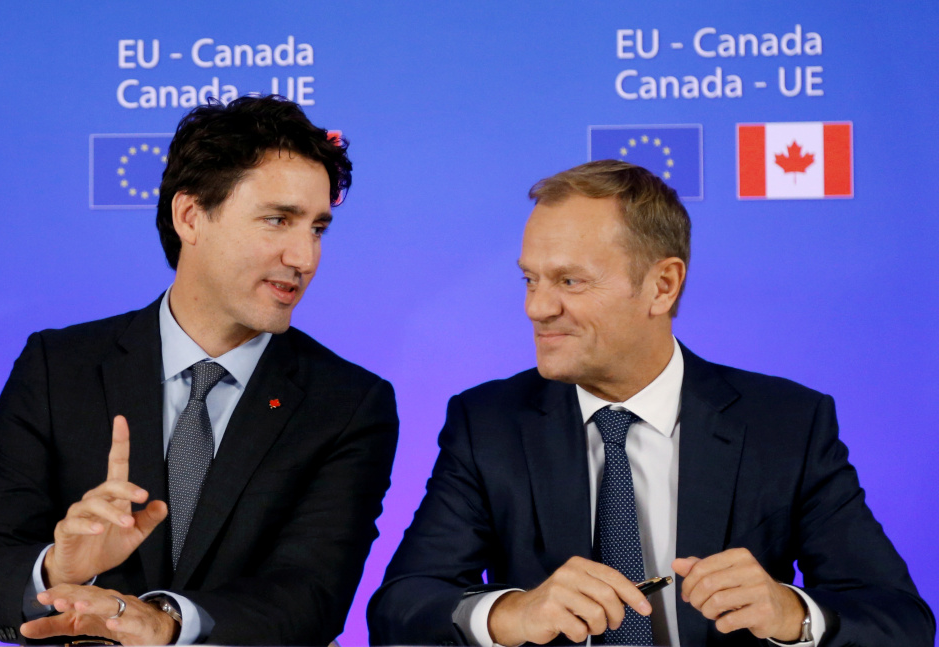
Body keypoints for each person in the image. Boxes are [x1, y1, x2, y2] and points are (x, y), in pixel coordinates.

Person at [367, 160, 934, 647]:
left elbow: (900, 620)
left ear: (663, 286)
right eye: (530, 280)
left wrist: (791, 614)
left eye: (569, 282)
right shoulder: (488, 423)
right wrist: (513, 613)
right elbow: (399, 610)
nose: (537, 308)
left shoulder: (786, 424)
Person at [0, 95, 399, 646]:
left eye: (318, 228)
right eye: (278, 220)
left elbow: (310, 602)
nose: (305, 257)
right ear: (191, 216)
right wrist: (57, 570)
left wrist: (165, 623)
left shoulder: (347, 403)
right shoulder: (59, 368)